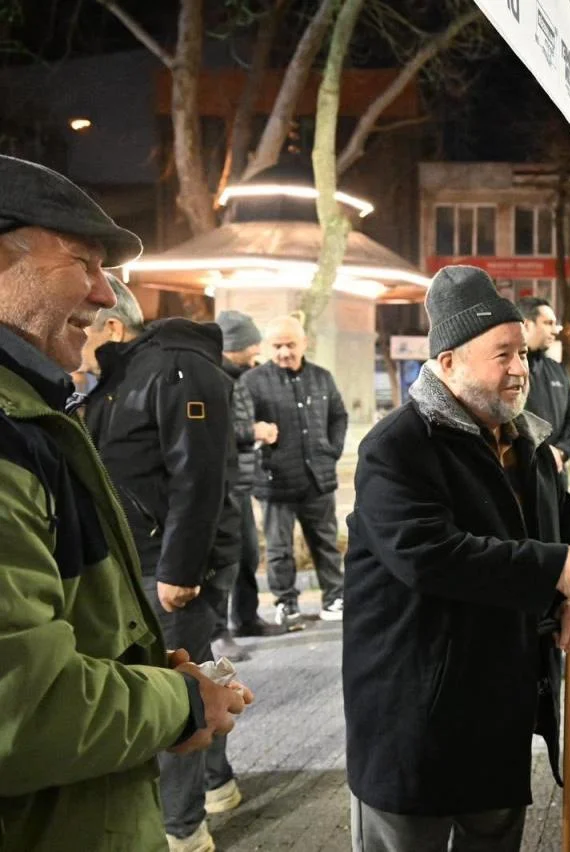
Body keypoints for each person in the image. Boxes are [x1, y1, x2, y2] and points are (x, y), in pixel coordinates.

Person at [0, 154, 248, 851]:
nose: (107, 297)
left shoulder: (32, 412)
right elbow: (23, 706)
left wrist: (142, 671)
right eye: (83, 262)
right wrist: (180, 703)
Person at [343, 265, 570, 852]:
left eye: (523, 353)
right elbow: (431, 556)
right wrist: (556, 571)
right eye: (503, 355)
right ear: (447, 362)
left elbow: (566, 531)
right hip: (415, 715)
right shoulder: (397, 446)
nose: (521, 369)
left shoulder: (526, 440)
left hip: (500, 710)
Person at [82, 276, 248, 850]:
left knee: (171, 686)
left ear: (111, 323)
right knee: (194, 672)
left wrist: (181, 569)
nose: (73, 332)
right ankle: (217, 783)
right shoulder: (118, 373)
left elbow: (197, 476)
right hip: (146, 558)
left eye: (83, 320)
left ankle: (182, 828)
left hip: (170, 566)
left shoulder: (173, 367)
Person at [241, 315, 347, 626]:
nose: (285, 351)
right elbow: (241, 425)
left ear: (304, 344)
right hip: (275, 482)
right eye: (277, 345)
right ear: (266, 347)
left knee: (326, 544)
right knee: (278, 549)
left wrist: (332, 451)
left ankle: (334, 598)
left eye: (291, 344)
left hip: (318, 478)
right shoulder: (252, 382)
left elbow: (338, 416)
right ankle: (286, 602)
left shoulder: (322, 377)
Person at [213, 310, 286, 650]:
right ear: (235, 344)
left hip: (241, 482)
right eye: (252, 342)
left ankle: (246, 618)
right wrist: (252, 431)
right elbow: (215, 429)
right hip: (222, 483)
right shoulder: (214, 377)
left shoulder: (238, 376)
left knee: (247, 553)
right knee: (225, 558)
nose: (258, 348)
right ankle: (217, 631)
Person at [517, 297, 570, 478]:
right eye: (548, 323)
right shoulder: (507, 371)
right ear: (526, 324)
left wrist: (561, 451)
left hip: (556, 475)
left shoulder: (557, 370)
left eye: (555, 324)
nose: (555, 331)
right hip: (521, 476)